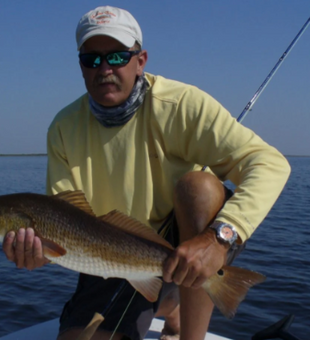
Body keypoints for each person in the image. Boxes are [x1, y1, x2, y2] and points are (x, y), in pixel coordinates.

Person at [2, 5, 291, 340]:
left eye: (118, 56)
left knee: (200, 188)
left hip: (187, 241)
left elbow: (269, 163)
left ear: (141, 60)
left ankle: (191, 333)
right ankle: (172, 305)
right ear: (80, 66)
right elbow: (64, 223)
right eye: (92, 59)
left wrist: (219, 239)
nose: (105, 68)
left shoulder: (181, 104)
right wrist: (37, 257)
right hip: (109, 253)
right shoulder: (64, 128)